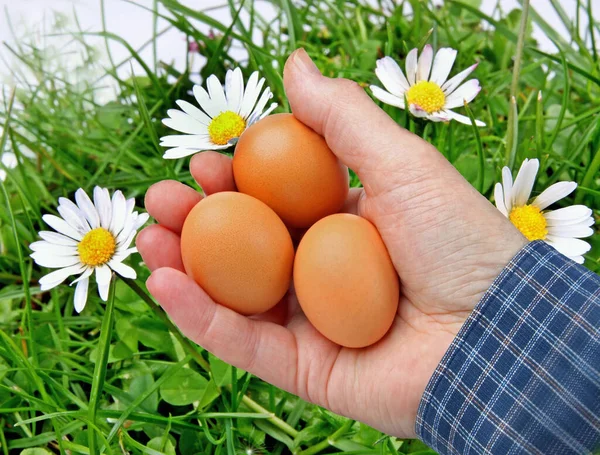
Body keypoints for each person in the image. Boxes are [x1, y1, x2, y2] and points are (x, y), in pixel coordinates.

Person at [137, 49, 600, 455]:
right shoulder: (314, 234)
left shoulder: (332, 231)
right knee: (216, 216)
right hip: (499, 347)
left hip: (443, 348)